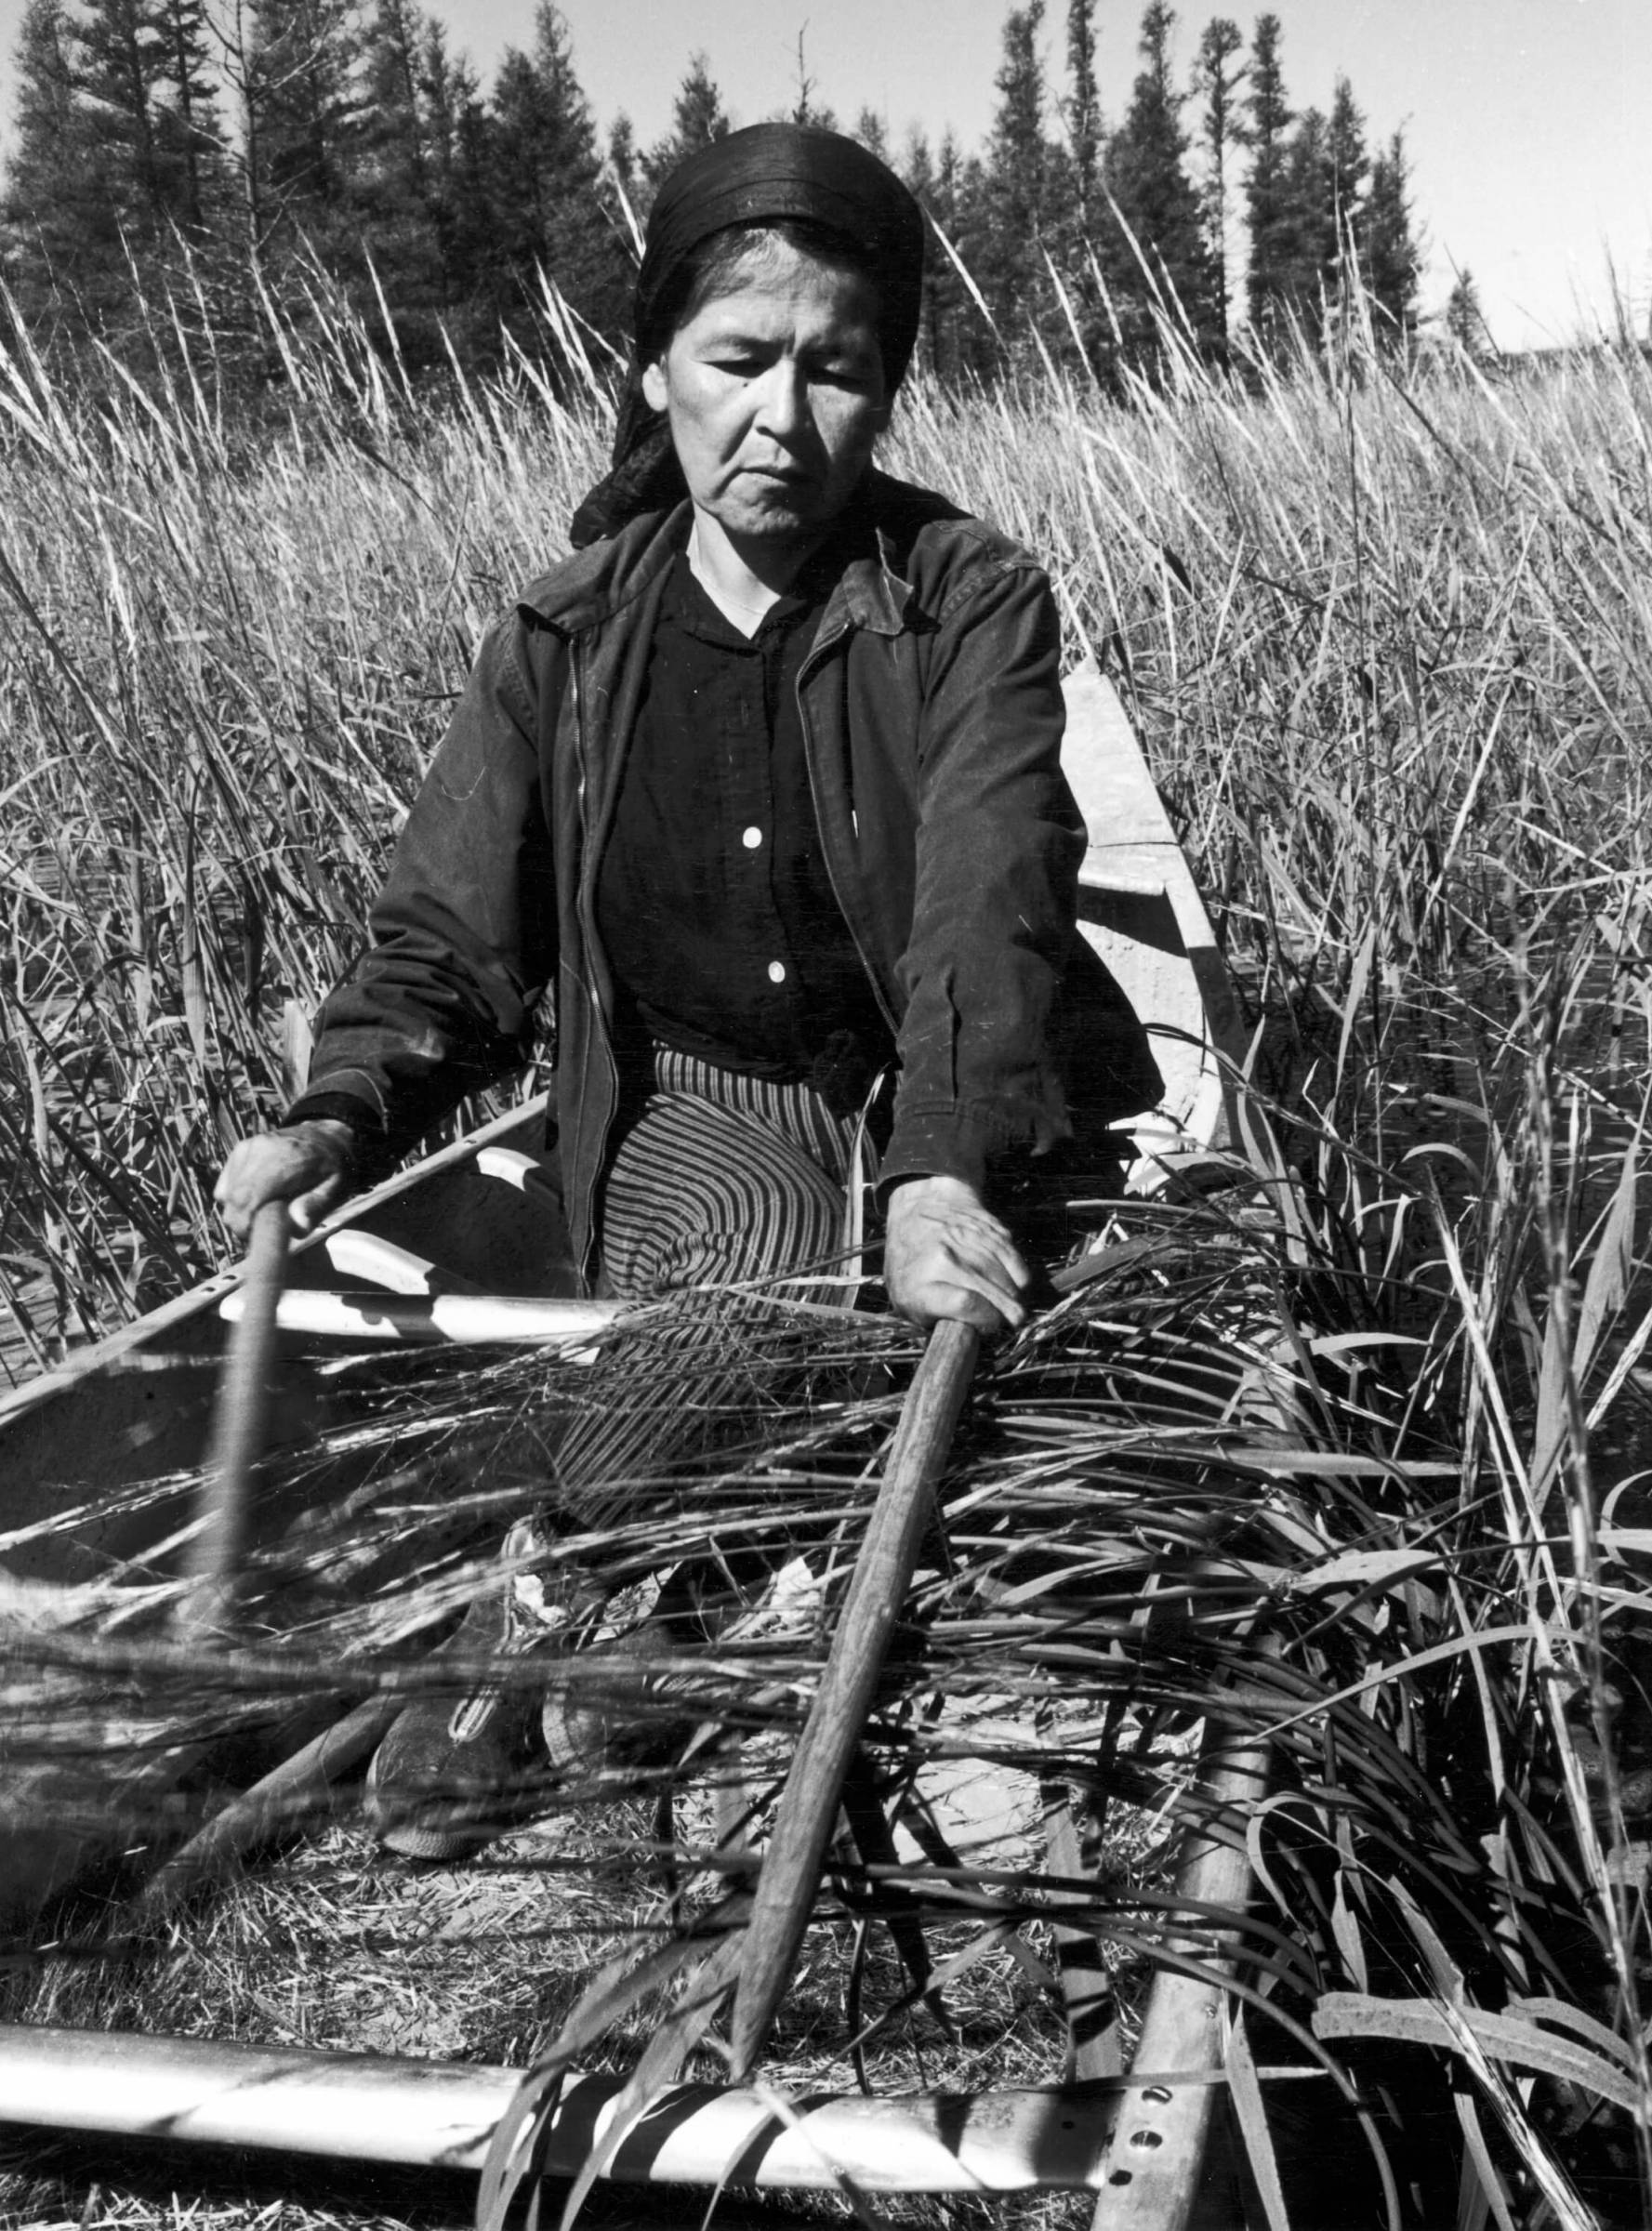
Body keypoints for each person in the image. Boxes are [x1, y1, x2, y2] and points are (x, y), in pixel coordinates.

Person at [215, 123, 1154, 1855]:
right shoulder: (567, 638)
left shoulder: (966, 604)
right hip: (694, 1101)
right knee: (708, 1264)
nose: (781, 419)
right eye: (736, 362)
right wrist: (343, 1108)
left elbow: (990, 896)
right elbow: (453, 930)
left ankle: (572, 1584)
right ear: (655, 371)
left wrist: (943, 1160)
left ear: (887, 391)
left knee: (774, 1278)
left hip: (899, 1092)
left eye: (837, 371)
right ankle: (629, 1576)